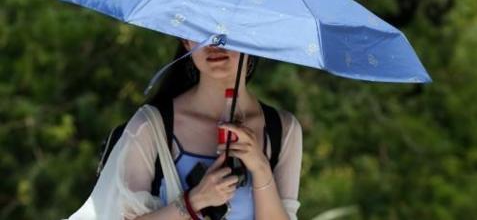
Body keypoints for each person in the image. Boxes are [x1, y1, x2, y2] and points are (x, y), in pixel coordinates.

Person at [67, 40, 303, 220]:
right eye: (201, 28)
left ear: (254, 38)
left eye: (229, 32)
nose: (214, 42)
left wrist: (260, 167)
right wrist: (196, 200)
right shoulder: (151, 126)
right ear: (186, 41)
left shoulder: (283, 130)